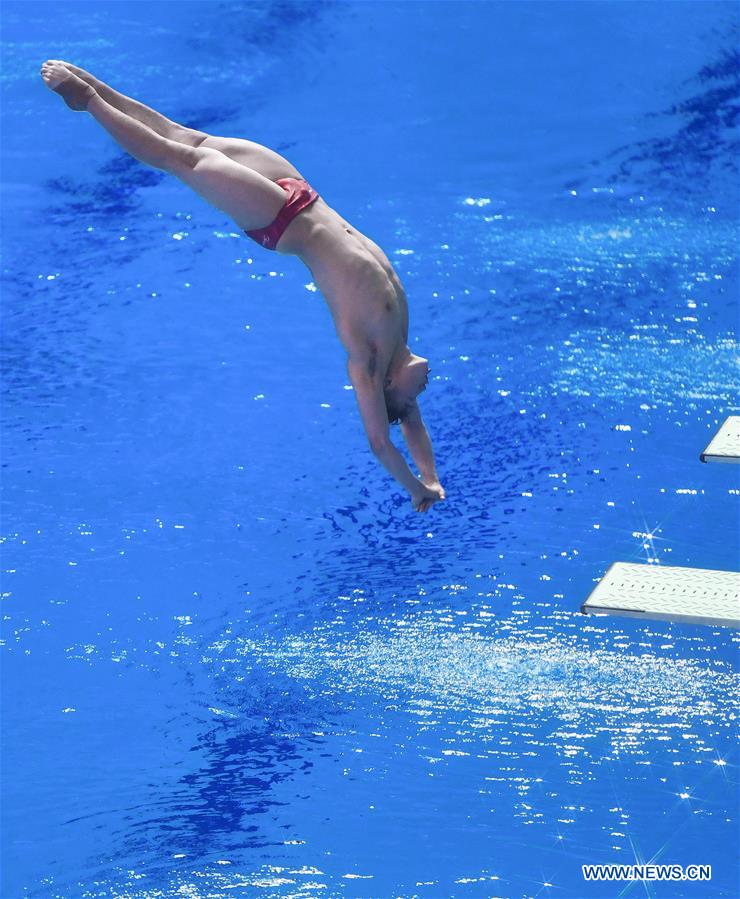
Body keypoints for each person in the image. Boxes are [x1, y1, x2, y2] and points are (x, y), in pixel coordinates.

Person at [40, 60, 446, 513]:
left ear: (391, 385)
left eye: (415, 397)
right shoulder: (397, 340)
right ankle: (98, 87)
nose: (423, 393)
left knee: (182, 159)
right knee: (187, 137)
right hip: (300, 192)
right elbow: (412, 427)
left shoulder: (368, 360)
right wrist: (430, 476)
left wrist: (413, 489)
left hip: (282, 221)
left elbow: (381, 443)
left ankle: (87, 100)